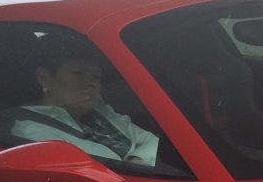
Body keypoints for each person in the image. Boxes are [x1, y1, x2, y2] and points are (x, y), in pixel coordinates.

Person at [9, 32, 159, 165]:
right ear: (45, 78)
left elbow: (152, 140)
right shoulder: (33, 132)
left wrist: (137, 160)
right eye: (78, 73)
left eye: (96, 76)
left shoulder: (101, 111)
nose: (90, 83)